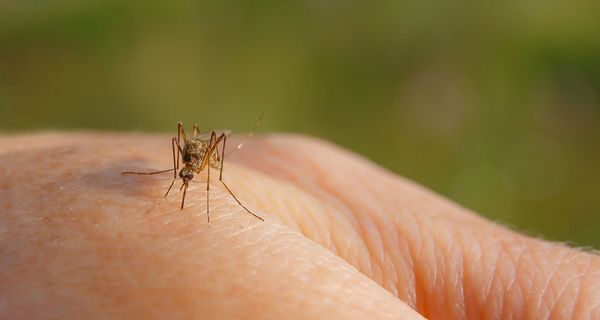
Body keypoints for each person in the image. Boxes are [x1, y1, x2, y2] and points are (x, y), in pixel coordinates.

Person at [1, 133, 598, 319]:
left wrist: (215, 183)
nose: (188, 169)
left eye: (190, 165)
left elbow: (211, 157)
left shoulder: (207, 161)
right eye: (187, 165)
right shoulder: (179, 161)